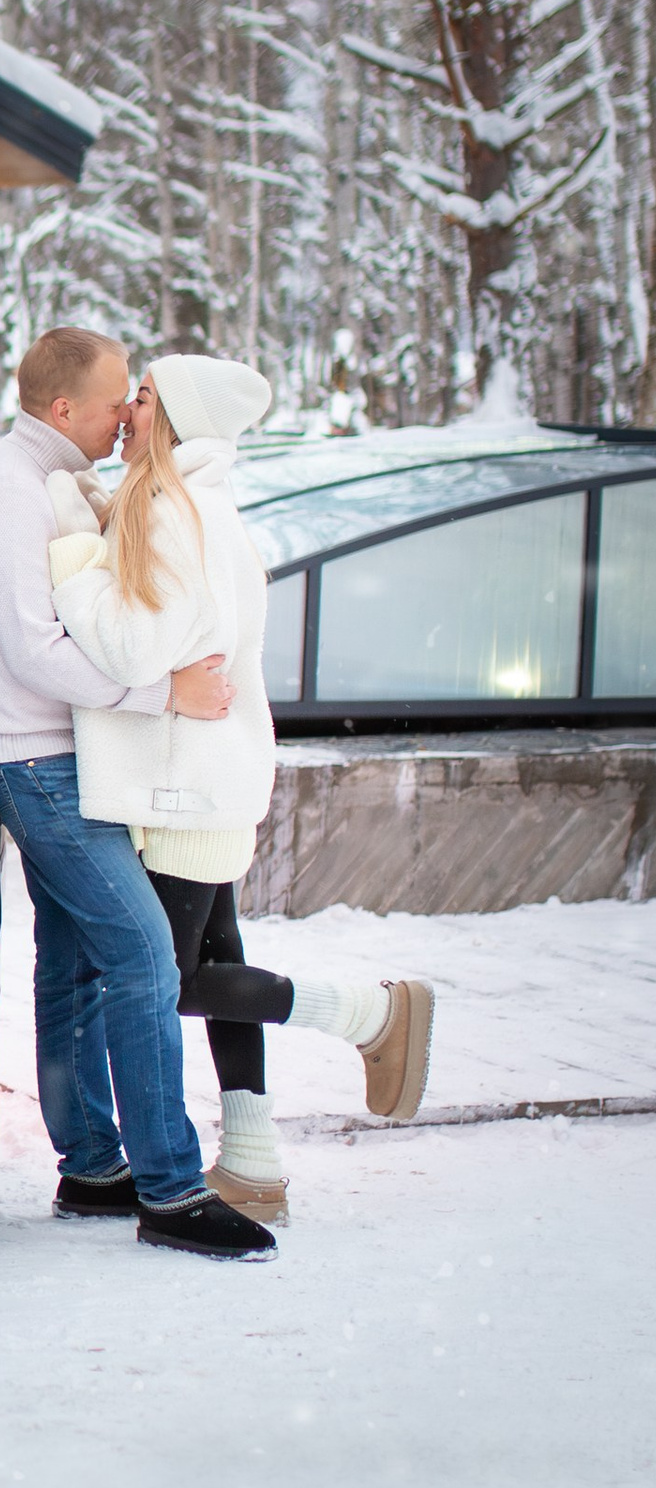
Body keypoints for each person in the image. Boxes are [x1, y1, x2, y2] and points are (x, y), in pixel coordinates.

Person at [44, 353, 434, 1221]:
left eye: (142, 398)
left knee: (157, 980)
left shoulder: (172, 513)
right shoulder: (201, 506)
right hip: (207, 776)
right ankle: (253, 1160)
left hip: (181, 783)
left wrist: (74, 562)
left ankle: (366, 1015)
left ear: (175, 419)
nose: (127, 410)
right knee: (213, 962)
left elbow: (135, 650)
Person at [0, 326, 274, 1259]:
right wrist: (162, 692)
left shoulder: (54, 486)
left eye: (140, 398)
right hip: (37, 763)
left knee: (77, 965)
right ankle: (169, 1190)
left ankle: (92, 1167)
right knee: (143, 962)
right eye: (116, 397)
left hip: (67, 758)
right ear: (63, 410)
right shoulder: (9, 496)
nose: (127, 411)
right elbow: (33, 650)